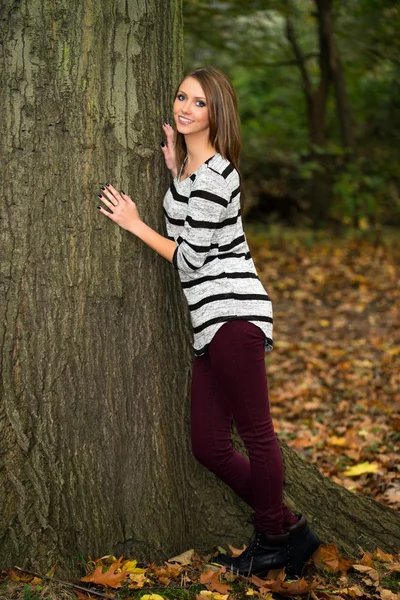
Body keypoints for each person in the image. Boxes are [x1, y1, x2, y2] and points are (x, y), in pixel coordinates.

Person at [97, 66, 320, 578]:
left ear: (217, 113)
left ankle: (271, 540)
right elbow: (189, 217)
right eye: (181, 97)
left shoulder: (220, 175)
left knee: (257, 435)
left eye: (199, 102)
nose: (185, 107)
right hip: (210, 321)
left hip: (234, 313)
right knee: (209, 445)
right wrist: (177, 170)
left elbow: (191, 258)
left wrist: (135, 225)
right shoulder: (195, 173)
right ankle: (291, 530)